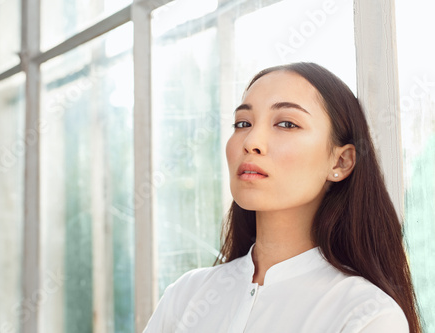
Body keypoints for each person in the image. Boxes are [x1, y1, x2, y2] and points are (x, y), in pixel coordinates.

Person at [143, 62, 421, 332]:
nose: (251, 142)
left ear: (341, 162)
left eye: (287, 124)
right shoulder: (185, 295)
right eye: (242, 123)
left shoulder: (368, 315)